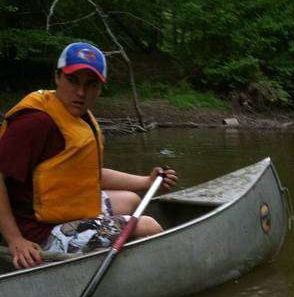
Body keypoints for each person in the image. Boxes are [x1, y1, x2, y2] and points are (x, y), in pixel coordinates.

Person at [0, 41, 177, 270]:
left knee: (130, 200)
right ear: (57, 77)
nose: (81, 92)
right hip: (38, 234)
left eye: (90, 84)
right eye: (73, 81)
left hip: (62, 214)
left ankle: (110, 254)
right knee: (149, 226)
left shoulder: (79, 117)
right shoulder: (35, 123)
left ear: (100, 88)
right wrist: (15, 240)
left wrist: (146, 182)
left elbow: (89, 174)